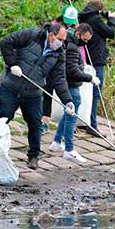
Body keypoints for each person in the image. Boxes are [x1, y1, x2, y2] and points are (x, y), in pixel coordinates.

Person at [0, 23, 74, 170]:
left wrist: (68, 101)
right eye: (60, 39)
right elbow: (6, 42)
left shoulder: (59, 53)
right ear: (51, 35)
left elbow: (59, 78)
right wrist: (12, 64)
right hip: (11, 86)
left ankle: (33, 156)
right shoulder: (32, 35)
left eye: (64, 41)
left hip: (33, 92)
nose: (62, 43)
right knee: (3, 118)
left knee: (35, 124)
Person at [44, 24, 101, 163]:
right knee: (71, 116)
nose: (86, 43)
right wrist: (90, 78)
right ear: (78, 35)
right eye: (85, 39)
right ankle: (69, 149)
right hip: (71, 86)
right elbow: (72, 71)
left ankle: (57, 142)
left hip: (69, 84)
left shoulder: (70, 44)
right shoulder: (72, 48)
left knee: (68, 112)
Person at [78, 0, 115, 137]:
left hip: (85, 59)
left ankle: (84, 121)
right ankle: (92, 125)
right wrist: (112, 19)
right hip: (96, 60)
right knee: (95, 93)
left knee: (85, 93)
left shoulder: (83, 17)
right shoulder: (96, 19)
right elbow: (111, 33)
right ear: (99, 9)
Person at [42, 5, 79, 135]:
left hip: (61, 63)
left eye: (71, 23)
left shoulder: (72, 30)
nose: (68, 25)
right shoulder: (54, 27)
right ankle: (44, 122)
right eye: (67, 22)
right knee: (46, 94)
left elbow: (76, 45)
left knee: (62, 91)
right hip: (48, 62)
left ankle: (67, 124)